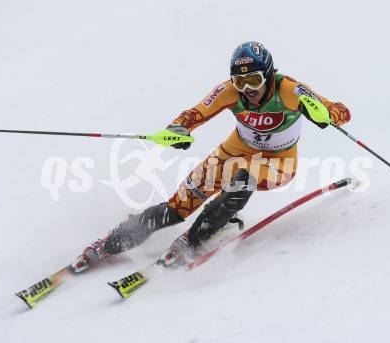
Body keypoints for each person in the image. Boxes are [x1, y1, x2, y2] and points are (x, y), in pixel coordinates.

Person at [71, 41, 351, 272]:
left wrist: (325, 114)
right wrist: (177, 130)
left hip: (278, 162)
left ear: (269, 74)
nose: (248, 90)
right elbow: (194, 114)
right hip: (233, 153)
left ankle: (197, 237)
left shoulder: (289, 90)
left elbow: (341, 111)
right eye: (240, 82)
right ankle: (111, 242)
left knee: (242, 179)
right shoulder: (229, 92)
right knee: (176, 209)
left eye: (254, 80)